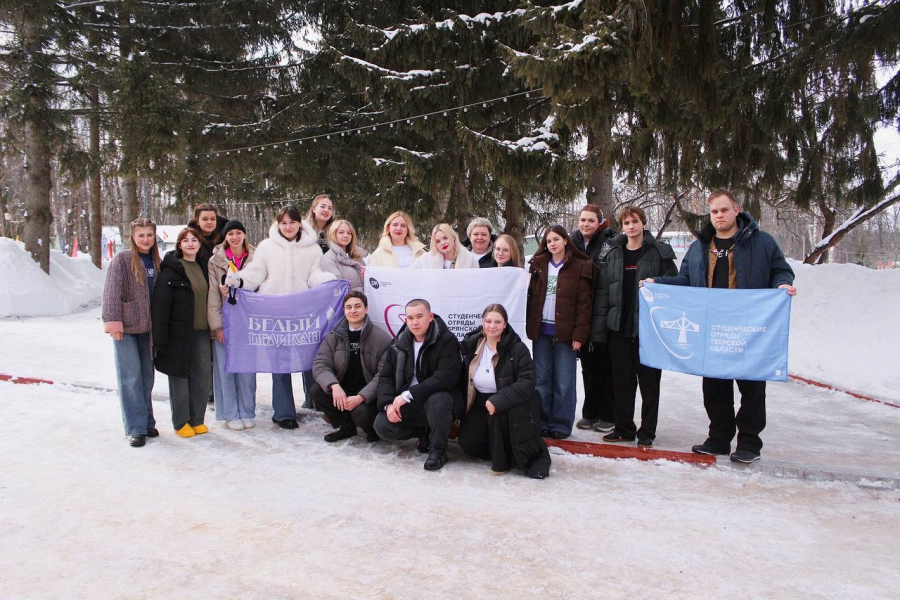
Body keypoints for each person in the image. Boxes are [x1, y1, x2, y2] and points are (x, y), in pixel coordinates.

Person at [644, 189, 797, 464]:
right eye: (714, 211)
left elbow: (780, 270)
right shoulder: (699, 247)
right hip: (711, 327)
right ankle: (719, 439)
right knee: (714, 387)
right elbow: (686, 279)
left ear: (736, 210)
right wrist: (658, 283)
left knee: (751, 388)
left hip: (748, 328)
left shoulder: (761, 242)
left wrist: (782, 284)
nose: (719, 216)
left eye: (724, 210)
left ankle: (749, 443)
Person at [224, 205, 336, 429]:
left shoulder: (312, 249)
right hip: (274, 313)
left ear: (299, 224)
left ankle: (318, 404)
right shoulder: (266, 247)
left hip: (302, 314)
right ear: (278, 224)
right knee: (279, 363)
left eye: (292, 222)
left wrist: (328, 281)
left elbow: (313, 276)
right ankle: (284, 413)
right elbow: (256, 273)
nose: (288, 227)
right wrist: (239, 280)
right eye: (283, 223)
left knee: (310, 359)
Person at [592, 206, 677, 447]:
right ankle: (623, 429)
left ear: (643, 223)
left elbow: (674, 288)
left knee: (650, 386)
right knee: (622, 384)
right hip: (619, 330)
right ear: (622, 226)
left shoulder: (659, 252)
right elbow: (603, 293)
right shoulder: (613, 254)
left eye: (635, 221)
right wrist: (600, 331)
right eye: (627, 223)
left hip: (649, 333)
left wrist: (659, 282)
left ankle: (647, 431)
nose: (631, 226)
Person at [458, 304, 550, 478]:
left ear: (505, 324)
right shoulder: (472, 344)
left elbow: (528, 381)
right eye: (488, 321)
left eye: (497, 322)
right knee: (468, 444)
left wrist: (499, 400)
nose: (492, 326)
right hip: (479, 402)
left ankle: (502, 460)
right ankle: (502, 448)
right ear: (482, 322)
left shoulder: (517, 348)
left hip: (509, 404)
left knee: (496, 414)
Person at [374, 299, 464, 471]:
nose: (414, 322)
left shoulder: (446, 340)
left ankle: (438, 450)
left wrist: (408, 395)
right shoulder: (398, 342)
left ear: (430, 317)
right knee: (382, 425)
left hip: (442, 399)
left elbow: (445, 378)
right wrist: (387, 404)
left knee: (438, 401)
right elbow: (386, 377)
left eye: (419, 316)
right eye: (410, 318)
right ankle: (425, 432)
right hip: (411, 401)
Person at [526, 225, 593, 439]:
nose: (552, 244)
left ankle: (561, 424)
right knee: (541, 380)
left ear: (565, 240)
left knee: (564, 382)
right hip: (541, 332)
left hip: (566, 333)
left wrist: (579, 335)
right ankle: (542, 421)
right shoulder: (538, 265)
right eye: (548, 241)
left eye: (556, 239)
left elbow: (584, 304)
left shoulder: (580, 266)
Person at [102, 218, 161, 447]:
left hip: (148, 328)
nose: (146, 239)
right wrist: (113, 321)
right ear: (133, 237)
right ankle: (135, 428)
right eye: (141, 235)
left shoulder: (156, 261)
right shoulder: (123, 259)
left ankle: (147, 422)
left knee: (146, 376)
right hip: (126, 328)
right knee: (131, 377)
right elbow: (111, 291)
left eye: (149, 235)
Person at [152, 227, 213, 438]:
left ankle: (197, 419)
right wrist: (160, 338)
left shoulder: (204, 267)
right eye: (185, 240)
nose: (190, 244)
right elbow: (161, 305)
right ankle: (181, 422)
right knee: (179, 376)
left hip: (202, 331)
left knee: (202, 376)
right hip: (178, 332)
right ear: (179, 245)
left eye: (194, 240)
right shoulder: (171, 270)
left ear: (199, 244)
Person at [311, 291, 393, 443]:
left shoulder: (382, 339)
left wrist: (361, 397)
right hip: (343, 390)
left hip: (369, 395)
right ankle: (346, 427)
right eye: (349, 307)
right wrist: (334, 386)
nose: (353, 310)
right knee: (317, 390)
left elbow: (384, 375)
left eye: (357, 306)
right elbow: (320, 363)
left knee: (361, 413)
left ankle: (371, 429)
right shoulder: (334, 336)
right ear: (344, 310)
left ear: (366, 309)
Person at [570, 204, 617, 434]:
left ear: (600, 223)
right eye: (583, 220)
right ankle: (590, 411)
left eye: (591, 220)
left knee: (604, 366)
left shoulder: (609, 244)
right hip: (580, 311)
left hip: (602, 308)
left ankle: (608, 414)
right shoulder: (572, 243)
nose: (586, 224)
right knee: (587, 366)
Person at [207, 220, 257, 431]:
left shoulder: (255, 258)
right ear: (225, 237)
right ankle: (229, 412)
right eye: (231, 234)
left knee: (247, 368)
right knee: (225, 368)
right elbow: (212, 294)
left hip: (249, 321)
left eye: (238, 233)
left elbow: (262, 286)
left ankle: (246, 410)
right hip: (226, 320)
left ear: (244, 235)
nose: (235, 237)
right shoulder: (216, 260)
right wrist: (217, 327)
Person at [320, 219, 368, 292]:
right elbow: (335, 289)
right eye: (341, 232)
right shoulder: (328, 258)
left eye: (349, 233)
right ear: (333, 234)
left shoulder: (356, 255)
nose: (346, 235)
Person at [412, 223, 479, 269]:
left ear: (453, 237)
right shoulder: (425, 260)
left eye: (445, 238)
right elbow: (410, 274)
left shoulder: (469, 259)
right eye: (438, 241)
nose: (442, 243)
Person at [188, 203, 228, 268]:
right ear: (197, 221)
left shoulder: (225, 239)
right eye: (205, 219)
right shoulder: (190, 241)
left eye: (213, 219)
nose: (209, 222)